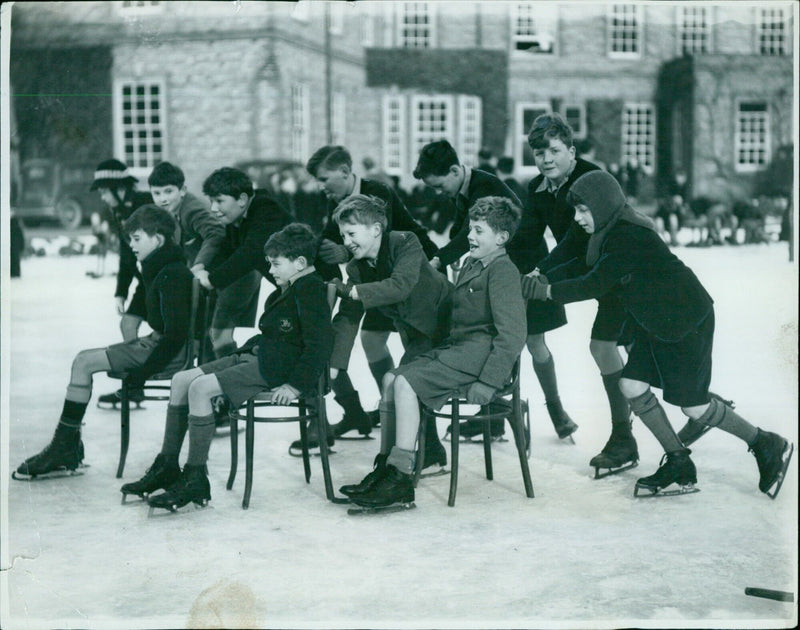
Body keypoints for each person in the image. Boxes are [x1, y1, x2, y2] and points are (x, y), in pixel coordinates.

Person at [525, 170, 794, 499]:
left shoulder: (627, 235)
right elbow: (582, 263)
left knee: (693, 407)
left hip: (686, 320)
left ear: (603, 204)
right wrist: (538, 275)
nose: (578, 218)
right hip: (655, 322)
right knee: (631, 385)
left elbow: (593, 283)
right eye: (576, 211)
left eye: (583, 210)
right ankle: (679, 461)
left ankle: (765, 443)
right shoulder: (607, 230)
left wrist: (546, 291)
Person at [126, 223, 333, 511]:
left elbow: (320, 345)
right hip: (259, 356)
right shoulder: (290, 286)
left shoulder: (311, 290)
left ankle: (195, 476)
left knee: (200, 389)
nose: (270, 270)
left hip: (277, 369)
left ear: (299, 263)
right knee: (182, 380)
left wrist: (295, 385)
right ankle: (167, 464)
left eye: (275, 264)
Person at [344, 196, 526, 510]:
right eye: (471, 228)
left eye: (479, 230)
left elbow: (512, 335)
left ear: (501, 238)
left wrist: (490, 382)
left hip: (478, 355)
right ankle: (387, 467)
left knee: (405, 383)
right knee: (390, 379)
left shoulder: (502, 271)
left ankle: (400, 476)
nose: (470, 236)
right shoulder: (474, 263)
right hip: (459, 348)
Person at [14, 205, 194, 480]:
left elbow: (176, 335)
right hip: (157, 345)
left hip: (167, 353)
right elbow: (152, 318)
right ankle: (66, 446)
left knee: (83, 362)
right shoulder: (159, 266)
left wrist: (141, 375)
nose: (131, 245)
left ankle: (64, 447)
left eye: (136, 239)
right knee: (83, 360)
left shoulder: (172, 273)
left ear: (157, 239)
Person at [306, 145, 440, 450]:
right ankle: (390, 431)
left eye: (325, 178)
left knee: (404, 371)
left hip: (413, 289)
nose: (321, 185)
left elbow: (395, 248)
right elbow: (348, 311)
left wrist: (351, 279)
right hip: (383, 287)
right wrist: (335, 364)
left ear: (345, 172)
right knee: (378, 351)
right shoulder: (353, 252)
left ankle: (421, 443)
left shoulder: (378, 199)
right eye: (345, 235)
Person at [523, 114, 635, 473]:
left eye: (555, 150)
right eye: (539, 153)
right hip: (595, 270)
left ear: (571, 151)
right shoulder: (538, 189)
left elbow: (577, 240)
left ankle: (697, 407)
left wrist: (546, 278)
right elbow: (536, 238)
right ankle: (626, 436)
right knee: (615, 349)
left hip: (622, 269)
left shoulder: (593, 179)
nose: (547, 159)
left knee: (633, 350)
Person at [328, 195, 452, 492]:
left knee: (399, 382)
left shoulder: (405, 242)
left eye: (351, 233)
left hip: (446, 329)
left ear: (376, 229)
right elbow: (347, 317)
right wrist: (335, 365)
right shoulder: (357, 270)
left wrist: (354, 292)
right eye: (343, 235)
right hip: (415, 334)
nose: (346, 242)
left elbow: (401, 286)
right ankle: (394, 461)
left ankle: (398, 468)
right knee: (393, 383)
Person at [413, 140, 528, 441]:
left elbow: (467, 235)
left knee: (516, 339)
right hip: (492, 262)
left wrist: (439, 258)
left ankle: (517, 409)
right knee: (489, 331)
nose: (439, 192)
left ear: (454, 170)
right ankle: (496, 415)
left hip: (518, 263)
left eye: (439, 186)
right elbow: (461, 229)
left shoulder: (484, 188)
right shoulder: (466, 187)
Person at [194, 167, 291, 360]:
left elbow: (250, 253)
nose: (213, 208)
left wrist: (211, 279)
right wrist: (201, 268)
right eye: (212, 201)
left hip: (310, 287)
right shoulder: (240, 217)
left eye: (219, 201)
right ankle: (227, 375)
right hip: (288, 290)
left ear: (242, 199)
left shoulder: (265, 211)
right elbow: (229, 251)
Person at [90, 159, 153, 343]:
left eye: (103, 192)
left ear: (119, 189)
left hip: (161, 280)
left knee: (164, 332)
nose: (102, 197)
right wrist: (121, 292)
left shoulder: (145, 204)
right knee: (127, 325)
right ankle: (137, 369)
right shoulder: (119, 211)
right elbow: (126, 255)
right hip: (145, 282)